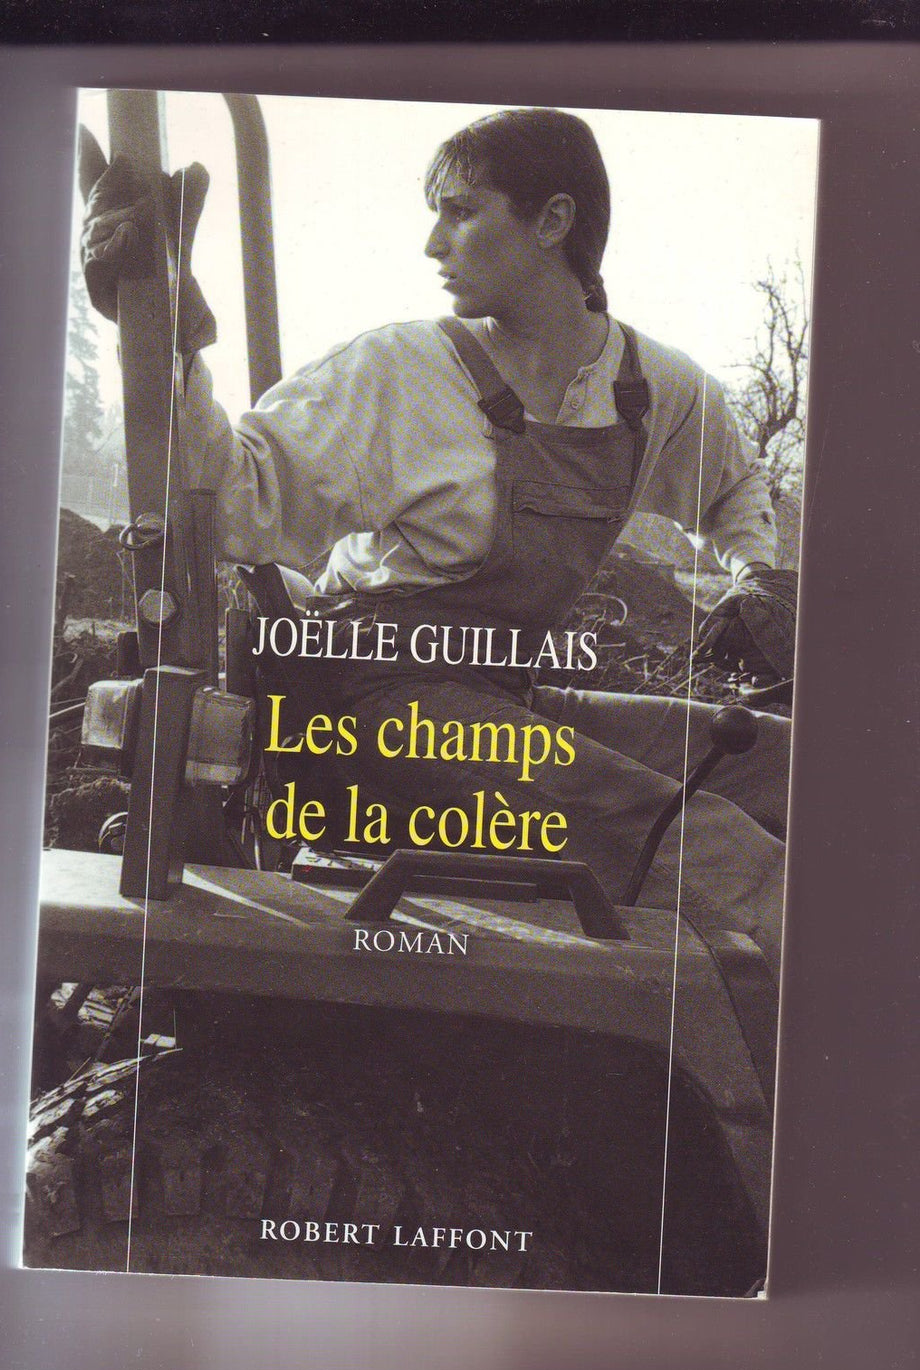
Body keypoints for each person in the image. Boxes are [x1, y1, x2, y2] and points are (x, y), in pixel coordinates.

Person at [82, 106, 798, 974]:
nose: (432, 243)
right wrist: (169, 339)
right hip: (369, 707)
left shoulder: (649, 390)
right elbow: (234, 497)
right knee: (712, 844)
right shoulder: (402, 372)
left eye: (461, 212)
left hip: (501, 693)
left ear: (554, 220)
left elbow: (734, 480)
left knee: (790, 765)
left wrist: (756, 574)